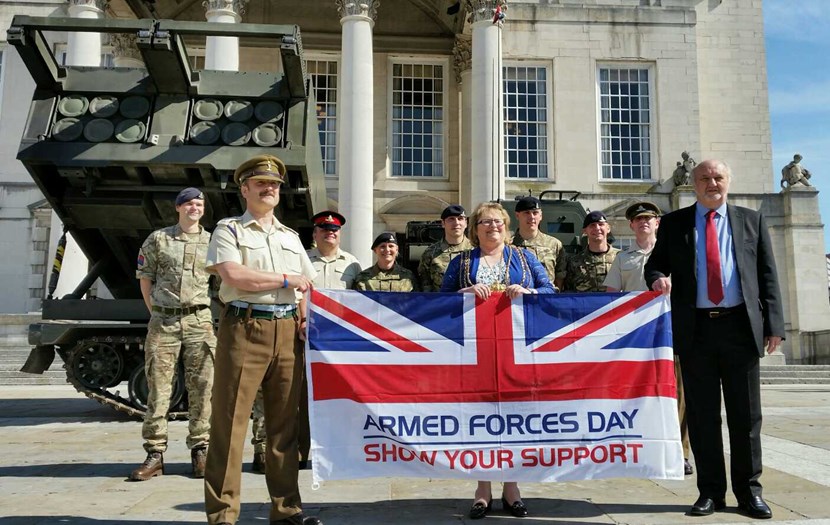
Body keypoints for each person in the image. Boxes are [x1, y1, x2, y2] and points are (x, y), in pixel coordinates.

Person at [645, 159, 784, 520]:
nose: (712, 183)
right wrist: (658, 278)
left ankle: (750, 492)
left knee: (746, 416)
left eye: (718, 177)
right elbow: (655, 265)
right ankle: (710, 492)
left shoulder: (750, 220)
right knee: (704, 417)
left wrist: (775, 325)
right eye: (704, 178)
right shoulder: (675, 224)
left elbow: (768, 274)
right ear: (694, 185)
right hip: (697, 331)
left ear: (728, 181)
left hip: (740, 328)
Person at [203, 155, 322, 525]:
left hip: (287, 333)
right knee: (230, 425)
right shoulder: (229, 230)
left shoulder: (290, 237)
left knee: (285, 428)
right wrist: (285, 280)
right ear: (245, 189)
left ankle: (287, 510)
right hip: (245, 328)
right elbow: (235, 275)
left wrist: (303, 318)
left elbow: (309, 287)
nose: (269, 189)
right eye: (261, 184)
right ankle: (223, 514)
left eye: (274, 185)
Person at [440, 202, 555, 520]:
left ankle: (512, 486)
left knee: (514, 414)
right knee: (480, 415)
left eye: (498, 221)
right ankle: (482, 488)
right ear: (475, 229)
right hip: (475, 351)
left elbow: (549, 289)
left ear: (507, 226)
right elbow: (440, 300)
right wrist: (464, 291)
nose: (493, 227)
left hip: (515, 348)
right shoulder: (462, 262)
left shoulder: (524, 257)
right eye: (485, 222)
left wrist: (527, 290)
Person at [250, 210, 361, 474]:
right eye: (323, 229)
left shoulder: (352, 264)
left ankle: (337, 453)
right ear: (315, 234)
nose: (329, 233)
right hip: (302, 336)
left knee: (337, 399)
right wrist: (301, 322)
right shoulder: (301, 260)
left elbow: (357, 302)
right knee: (298, 396)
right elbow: (293, 295)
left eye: (334, 230)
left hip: (337, 344)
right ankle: (299, 453)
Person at [130, 187, 216, 482]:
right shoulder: (159, 239)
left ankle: (201, 450)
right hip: (164, 323)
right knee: (159, 389)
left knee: (203, 389)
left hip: (199, 321)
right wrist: (155, 310)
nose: (195, 208)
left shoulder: (213, 242)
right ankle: (155, 453)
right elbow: (146, 277)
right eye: (189, 204)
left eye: (199, 204)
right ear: (178, 208)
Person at [603, 201, 694, 477]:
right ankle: (639, 447)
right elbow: (611, 293)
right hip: (637, 336)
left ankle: (681, 451)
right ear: (631, 225)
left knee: (678, 392)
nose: (644, 222)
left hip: (670, 331)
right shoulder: (623, 258)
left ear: (658, 223)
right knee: (637, 391)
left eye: (649, 218)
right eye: (638, 219)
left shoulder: (674, 254)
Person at [510, 195, 566, 289]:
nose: (531, 217)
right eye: (526, 213)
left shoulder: (554, 244)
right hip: (518, 300)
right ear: (517, 215)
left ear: (541, 216)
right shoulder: (508, 245)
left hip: (545, 299)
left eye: (535, 213)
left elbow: (560, 278)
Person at [418, 204, 472, 291]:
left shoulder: (475, 251)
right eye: (451, 219)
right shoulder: (430, 253)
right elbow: (424, 287)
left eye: (460, 219)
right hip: (439, 302)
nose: (456, 223)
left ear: (466, 223)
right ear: (443, 223)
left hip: (468, 303)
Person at [562, 210, 619, 292]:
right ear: (585, 231)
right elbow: (569, 292)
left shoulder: (620, 257)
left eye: (601, 224)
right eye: (592, 225)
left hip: (614, 304)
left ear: (608, 228)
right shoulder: (574, 262)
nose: (597, 228)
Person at [353, 232, 419, 291]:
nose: (387, 250)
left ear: (396, 250)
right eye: (382, 246)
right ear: (375, 250)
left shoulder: (408, 277)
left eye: (391, 246)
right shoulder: (362, 278)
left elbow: (416, 301)